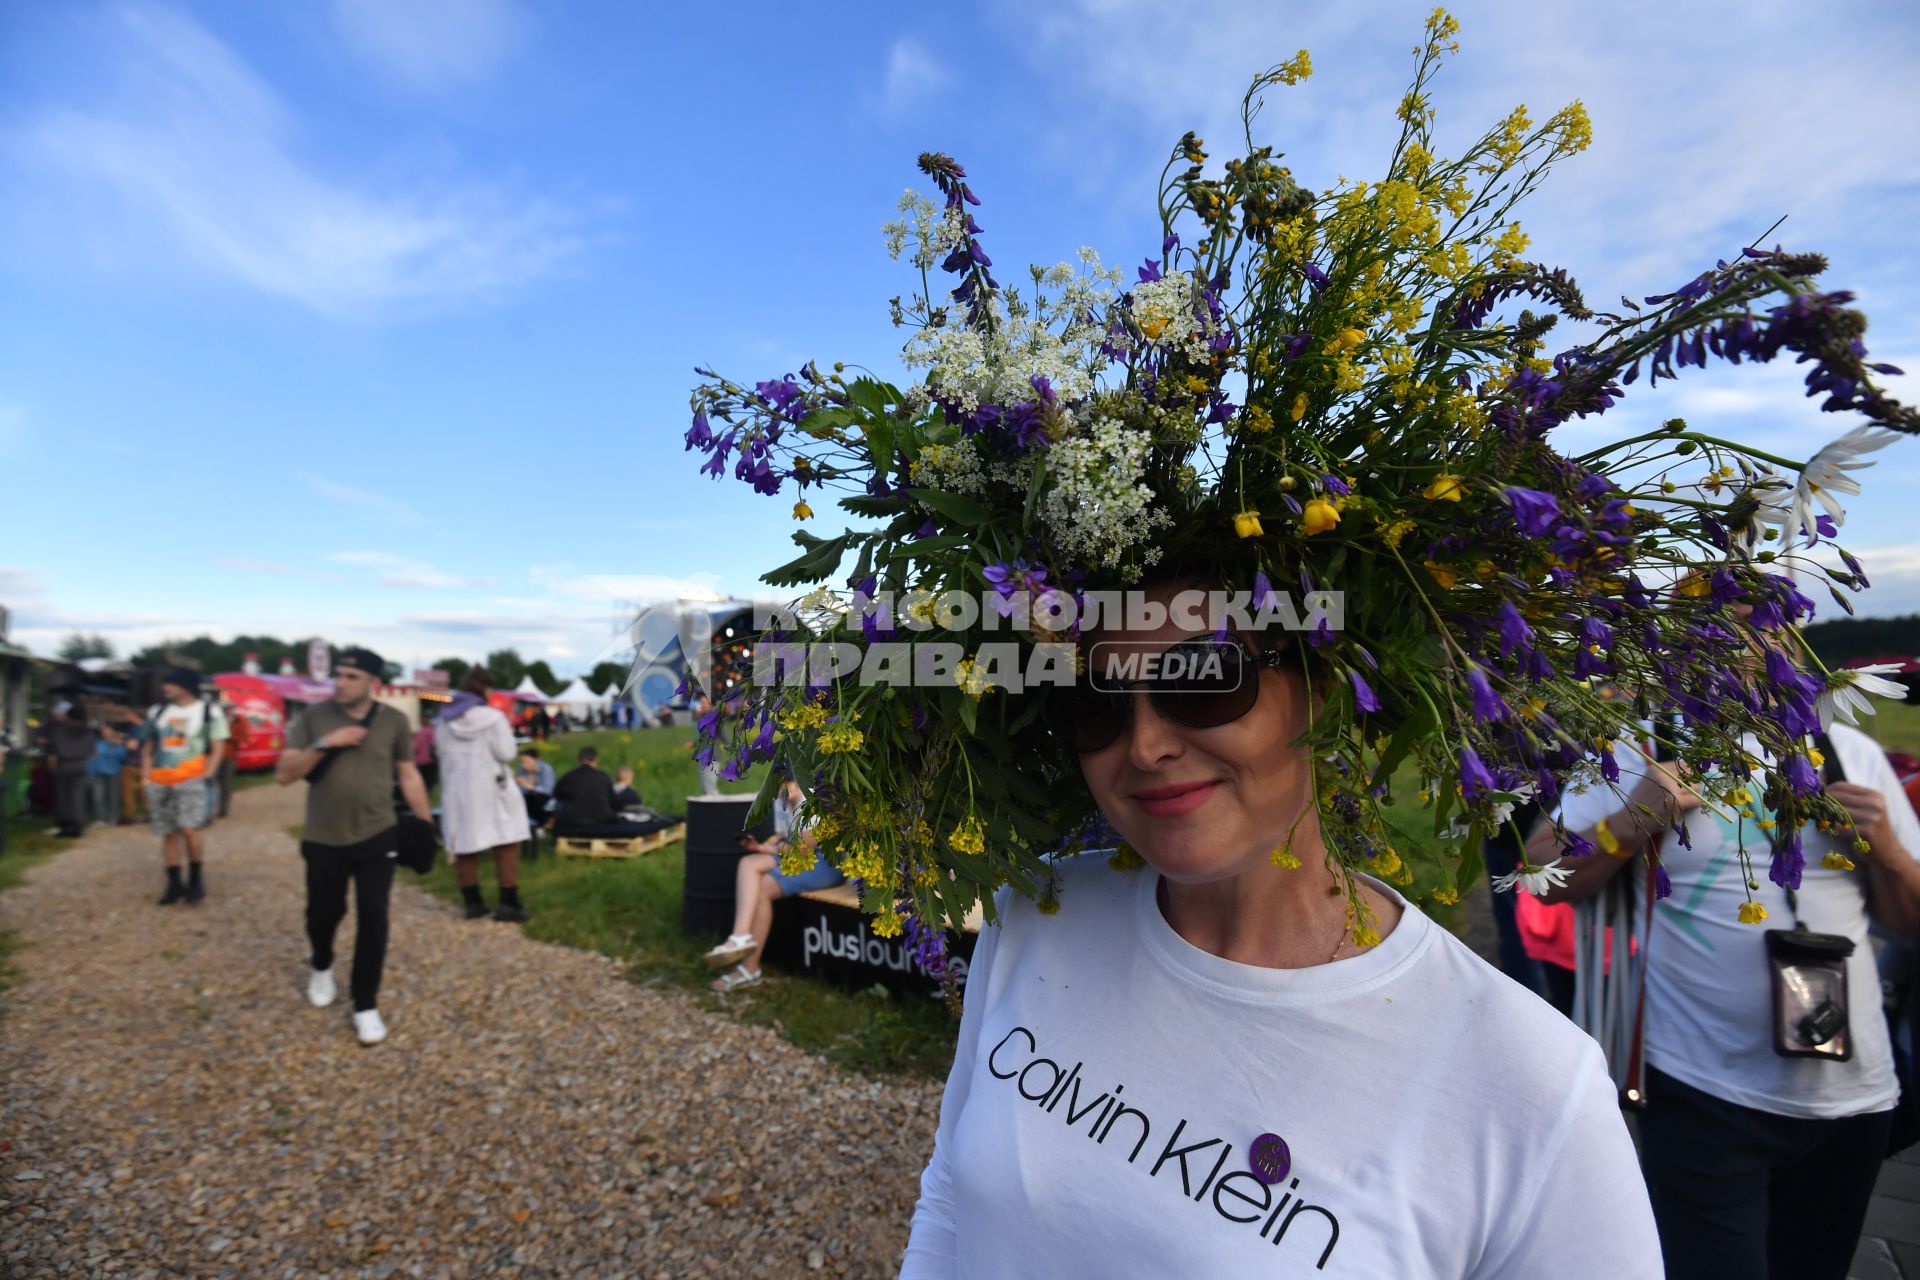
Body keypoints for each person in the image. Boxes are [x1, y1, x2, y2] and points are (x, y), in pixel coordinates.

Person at [899, 584, 1660, 1275]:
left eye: (1203, 681)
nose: (1145, 745)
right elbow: (950, 1201)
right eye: (1096, 706)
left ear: (1320, 694)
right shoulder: (1039, 912)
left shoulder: (1531, 1083)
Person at [1534, 717, 1920, 1278]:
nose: (1758, 637)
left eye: (1776, 624)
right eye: (1733, 623)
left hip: (1853, 1104)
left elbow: (1909, 924)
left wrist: (1885, 849)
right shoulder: (1639, 746)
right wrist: (1632, 819)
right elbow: (1540, 872)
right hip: (1701, 1095)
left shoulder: (1843, 748)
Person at [276, 647, 431, 1047]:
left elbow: (408, 774)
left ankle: (365, 1004)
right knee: (324, 914)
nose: (340, 683)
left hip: (377, 833)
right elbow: (284, 775)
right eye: (339, 675)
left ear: (372, 683)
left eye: (351, 677)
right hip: (323, 835)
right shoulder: (314, 717)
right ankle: (322, 963)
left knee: (374, 919)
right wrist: (326, 743)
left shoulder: (394, 721)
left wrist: (427, 824)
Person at [703, 778, 842, 992]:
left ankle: (749, 968)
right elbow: (783, 836)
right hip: (798, 854)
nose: (782, 794)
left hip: (825, 862)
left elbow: (803, 850)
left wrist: (765, 849)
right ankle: (740, 936)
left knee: (762, 887)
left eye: (786, 788)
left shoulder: (812, 801)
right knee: (748, 863)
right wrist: (763, 846)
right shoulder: (782, 801)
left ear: (797, 784)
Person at [434, 669, 529, 923]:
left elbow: (441, 754)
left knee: (464, 844)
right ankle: (508, 903)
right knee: (507, 841)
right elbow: (507, 753)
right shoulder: (494, 719)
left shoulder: (444, 720)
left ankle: (473, 903)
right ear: (486, 690)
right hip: (491, 787)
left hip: (459, 789)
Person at [140, 671, 227, 901]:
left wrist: (208, 773)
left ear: (186, 686)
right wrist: (146, 776)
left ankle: (196, 879)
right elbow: (148, 745)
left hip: (192, 777)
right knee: (168, 832)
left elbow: (218, 745)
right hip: (161, 779)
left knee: (190, 829)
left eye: (170, 682)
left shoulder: (209, 710)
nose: (165, 687)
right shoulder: (157, 711)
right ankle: (174, 883)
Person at [552, 746, 647, 839]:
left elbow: (556, 796)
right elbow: (614, 802)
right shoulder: (603, 777)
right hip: (601, 819)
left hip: (573, 821)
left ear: (579, 759)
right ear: (596, 759)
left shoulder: (567, 777)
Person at [48, 705, 95, 838]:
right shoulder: (87, 731)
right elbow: (91, 750)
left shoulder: (59, 730)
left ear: (68, 716)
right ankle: (77, 824)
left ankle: (65, 824)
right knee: (77, 795)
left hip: (63, 764)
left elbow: (54, 748)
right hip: (80, 764)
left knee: (63, 795)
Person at [87, 725, 128, 827]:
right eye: (104, 730)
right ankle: (101, 818)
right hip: (98, 773)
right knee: (98, 797)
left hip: (113, 773)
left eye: (108, 730)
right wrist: (90, 773)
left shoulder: (117, 744)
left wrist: (119, 746)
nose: (106, 732)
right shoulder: (96, 743)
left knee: (113, 797)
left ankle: (113, 818)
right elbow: (92, 759)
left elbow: (123, 757)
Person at [514, 746, 555, 826]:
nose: (524, 765)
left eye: (527, 762)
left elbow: (548, 790)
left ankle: (543, 822)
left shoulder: (546, 769)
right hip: (529, 798)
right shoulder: (522, 770)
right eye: (522, 762)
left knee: (537, 798)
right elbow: (521, 790)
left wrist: (532, 787)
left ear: (536, 760)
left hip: (544, 799)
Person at [412, 715, 439, 795]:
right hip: (429, 760)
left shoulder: (417, 732)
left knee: (420, 781)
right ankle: (427, 794)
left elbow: (415, 746)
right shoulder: (431, 730)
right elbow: (435, 743)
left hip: (418, 761)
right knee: (429, 781)